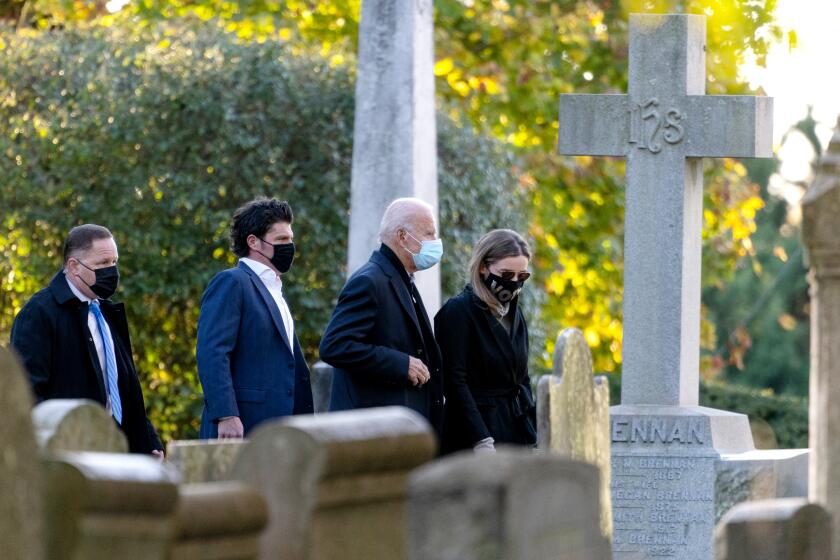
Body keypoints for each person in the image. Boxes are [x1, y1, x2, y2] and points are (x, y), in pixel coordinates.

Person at [10, 224, 164, 455]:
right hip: (70, 452)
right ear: (74, 267)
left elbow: (124, 386)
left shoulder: (107, 312)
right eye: (102, 264)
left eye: (114, 262)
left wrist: (149, 440)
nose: (111, 271)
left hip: (117, 449)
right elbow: (27, 393)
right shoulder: (39, 313)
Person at [319, 198, 444, 437]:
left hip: (397, 427)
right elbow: (335, 346)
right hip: (371, 430)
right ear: (401, 236)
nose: (435, 242)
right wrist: (401, 363)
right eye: (429, 233)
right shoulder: (369, 281)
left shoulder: (400, 278)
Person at [197, 197, 313, 439]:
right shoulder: (232, 282)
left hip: (280, 429)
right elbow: (213, 353)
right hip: (242, 425)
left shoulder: (275, 290)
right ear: (254, 242)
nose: (289, 246)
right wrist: (226, 415)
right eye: (281, 240)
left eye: (291, 239)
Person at [434, 229, 537, 454]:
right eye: (506, 274)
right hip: (473, 434)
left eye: (522, 276)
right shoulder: (458, 311)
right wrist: (481, 439)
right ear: (483, 267)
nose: (514, 283)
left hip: (515, 429)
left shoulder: (514, 313)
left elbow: (523, 377)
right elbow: (454, 381)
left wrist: (534, 428)